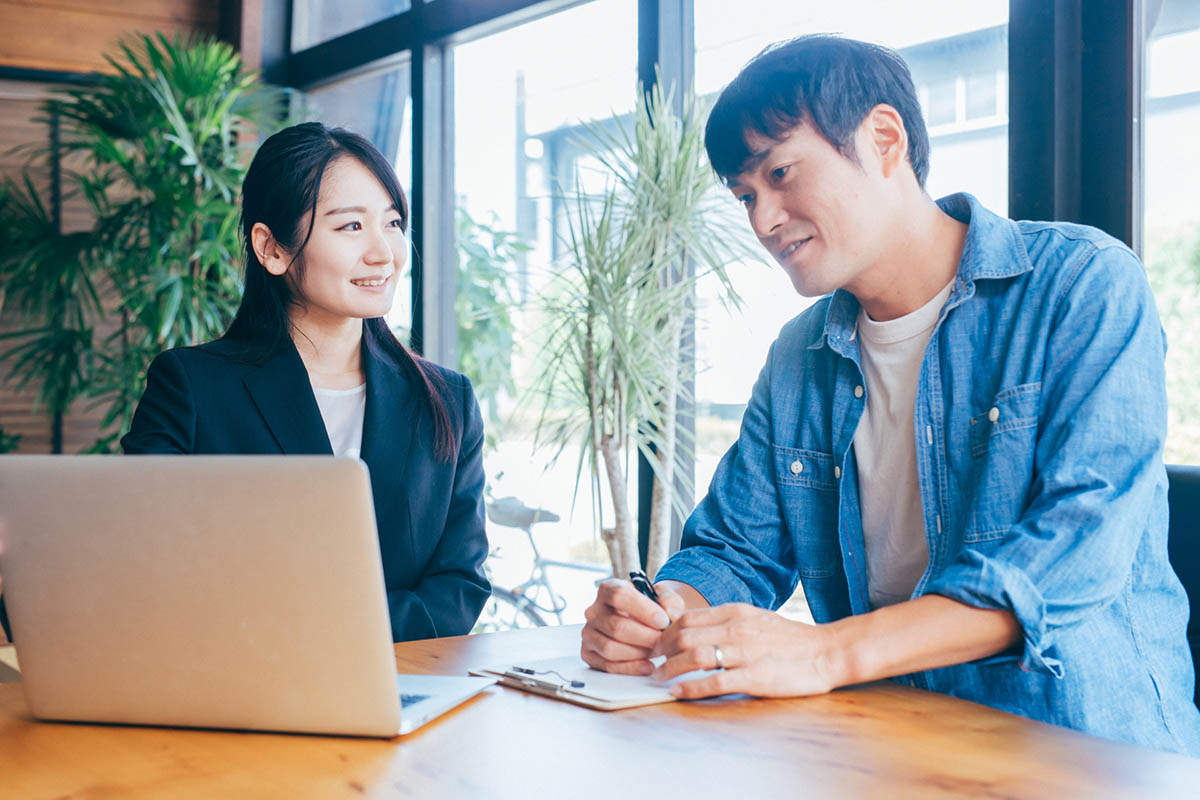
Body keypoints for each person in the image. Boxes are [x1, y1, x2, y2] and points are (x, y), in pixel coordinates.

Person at [580, 34, 1200, 754]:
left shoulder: (1083, 284)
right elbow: (735, 549)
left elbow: (1077, 550)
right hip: (889, 750)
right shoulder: (799, 357)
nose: (763, 220)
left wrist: (826, 652)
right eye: (746, 196)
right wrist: (661, 613)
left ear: (882, 139)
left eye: (781, 173)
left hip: (1086, 756)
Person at [121, 122, 490, 642]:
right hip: (238, 688)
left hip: (403, 690)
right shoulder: (190, 387)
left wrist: (333, 637)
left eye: (392, 223)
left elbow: (459, 585)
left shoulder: (447, 401)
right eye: (350, 228)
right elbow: (145, 561)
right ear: (271, 249)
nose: (384, 252)